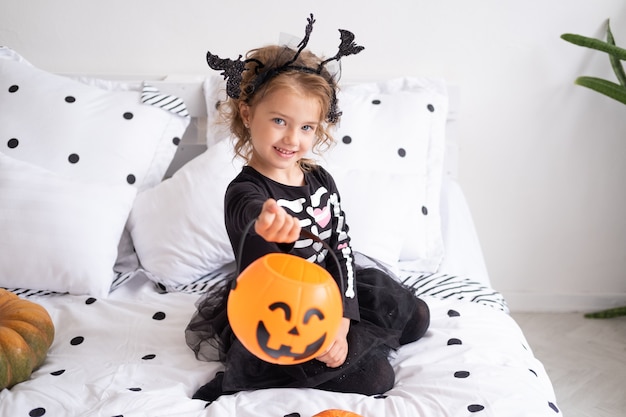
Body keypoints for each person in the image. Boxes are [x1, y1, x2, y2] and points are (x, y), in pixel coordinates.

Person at [185, 14, 430, 403]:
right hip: (280, 310)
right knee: (376, 379)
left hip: (327, 289)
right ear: (248, 114)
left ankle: (346, 339)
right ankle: (265, 374)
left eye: (306, 127)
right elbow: (248, 212)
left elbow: (342, 247)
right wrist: (266, 220)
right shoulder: (245, 190)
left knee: (416, 315)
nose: (291, 138)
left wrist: (343, 321)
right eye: (279, 120)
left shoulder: (320, 179)